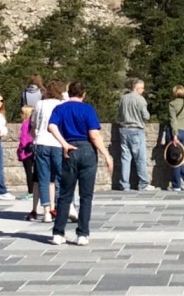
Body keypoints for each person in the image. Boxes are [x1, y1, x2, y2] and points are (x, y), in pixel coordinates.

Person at [48, 82, 115, 246]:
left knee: (65, 194)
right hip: (87, 150)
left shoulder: (60, 108)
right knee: (86, 196)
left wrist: (63, 143)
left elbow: (51, 126)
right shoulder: (88, 109)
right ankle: (82, 233)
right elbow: (94, 135)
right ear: (83, 94)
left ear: (69, 93)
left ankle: (58, 232)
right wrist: (106, 155)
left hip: (69, 149)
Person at [30, 79, 66, 222]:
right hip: (57, 143)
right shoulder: (62, 104)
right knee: (59, 176)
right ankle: (60, 205)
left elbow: (34, 124)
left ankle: (46, 212)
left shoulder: (40, 104)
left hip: (41, 142)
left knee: (43, 179)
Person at [116, 78, 153, 191]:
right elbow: (146, 116)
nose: (143, 90)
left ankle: (124, 184)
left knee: (125, 158)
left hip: (123, 129)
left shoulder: (123, 98)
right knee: (140, 158)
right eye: (142, 88)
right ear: (137, 88)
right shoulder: (140, 100)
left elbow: (119, 114)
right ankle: (143, 184)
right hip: (136, 129)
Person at [161, 85, 184, 193]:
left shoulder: (172, 104)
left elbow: (173, 121)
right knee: (180, 157)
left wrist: (175, 135)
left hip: (175, 132)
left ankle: (176, 185)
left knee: (174, 159)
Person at [17, 105, 37, 203]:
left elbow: (23, 138)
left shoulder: (25, 123)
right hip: (34, 148)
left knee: (28, 172)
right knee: (36, 172)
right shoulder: (34, 123)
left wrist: (20, 149)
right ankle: (36, 191)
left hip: (26, 150)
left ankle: (30, 192)